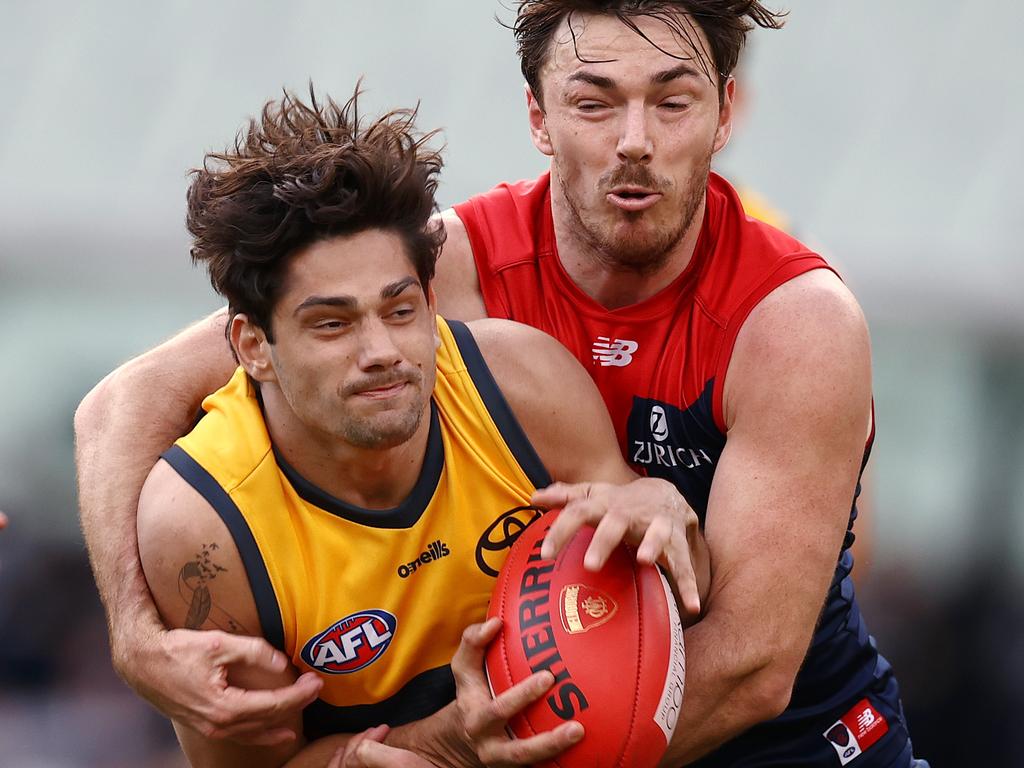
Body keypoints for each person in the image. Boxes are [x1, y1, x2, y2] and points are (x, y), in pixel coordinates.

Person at [73, 2, 924, 766]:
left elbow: (749, 669)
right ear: (539, 118)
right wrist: (136, 636)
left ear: (725, 111)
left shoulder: (794, 320)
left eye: (672, 101)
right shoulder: (425, 282)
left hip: (792, 744)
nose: (635, 139)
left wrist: (481, 755)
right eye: (593, 102)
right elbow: (122, 403)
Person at [130, 88, 706, 767]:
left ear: (431, 300)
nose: (381, 350)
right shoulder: (207, 527)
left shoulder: (520, 385)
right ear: (253, 346)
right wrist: (437, 747)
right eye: (332, 324)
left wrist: (671, 519)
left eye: (400, 311)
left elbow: (679, 598)